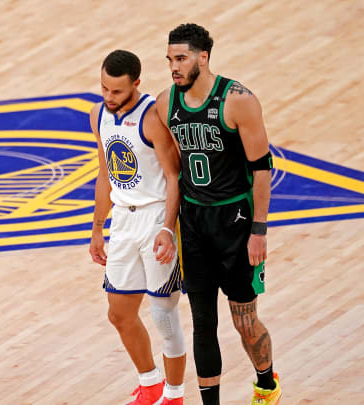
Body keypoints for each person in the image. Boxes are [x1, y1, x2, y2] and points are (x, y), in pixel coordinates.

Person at [154, 24, 281, 405]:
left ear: (203, 57)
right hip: (194, 223)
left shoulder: (238, 100)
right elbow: (173, 172)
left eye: (181, 58)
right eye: (170, 60)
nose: (174, 67)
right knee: (202, 322)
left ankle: (266, 383)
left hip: (236, 223)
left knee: (244, 319)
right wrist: (168, 227)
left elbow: (261, 168)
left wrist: (259, 230)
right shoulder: (166, 103)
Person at [89, 49, 187, 405]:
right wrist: (98, 227)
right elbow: (105, 173)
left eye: (116, 91)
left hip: (155, 217)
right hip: (123, 220)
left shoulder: (152, 117)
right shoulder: (97, 113)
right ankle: (150, 384)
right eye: (104, 88)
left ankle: (175, 395)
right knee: (119, 313)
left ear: (137, 84)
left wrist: (167, 227)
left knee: (163, 314)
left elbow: (174, 176)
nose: (108, 97)